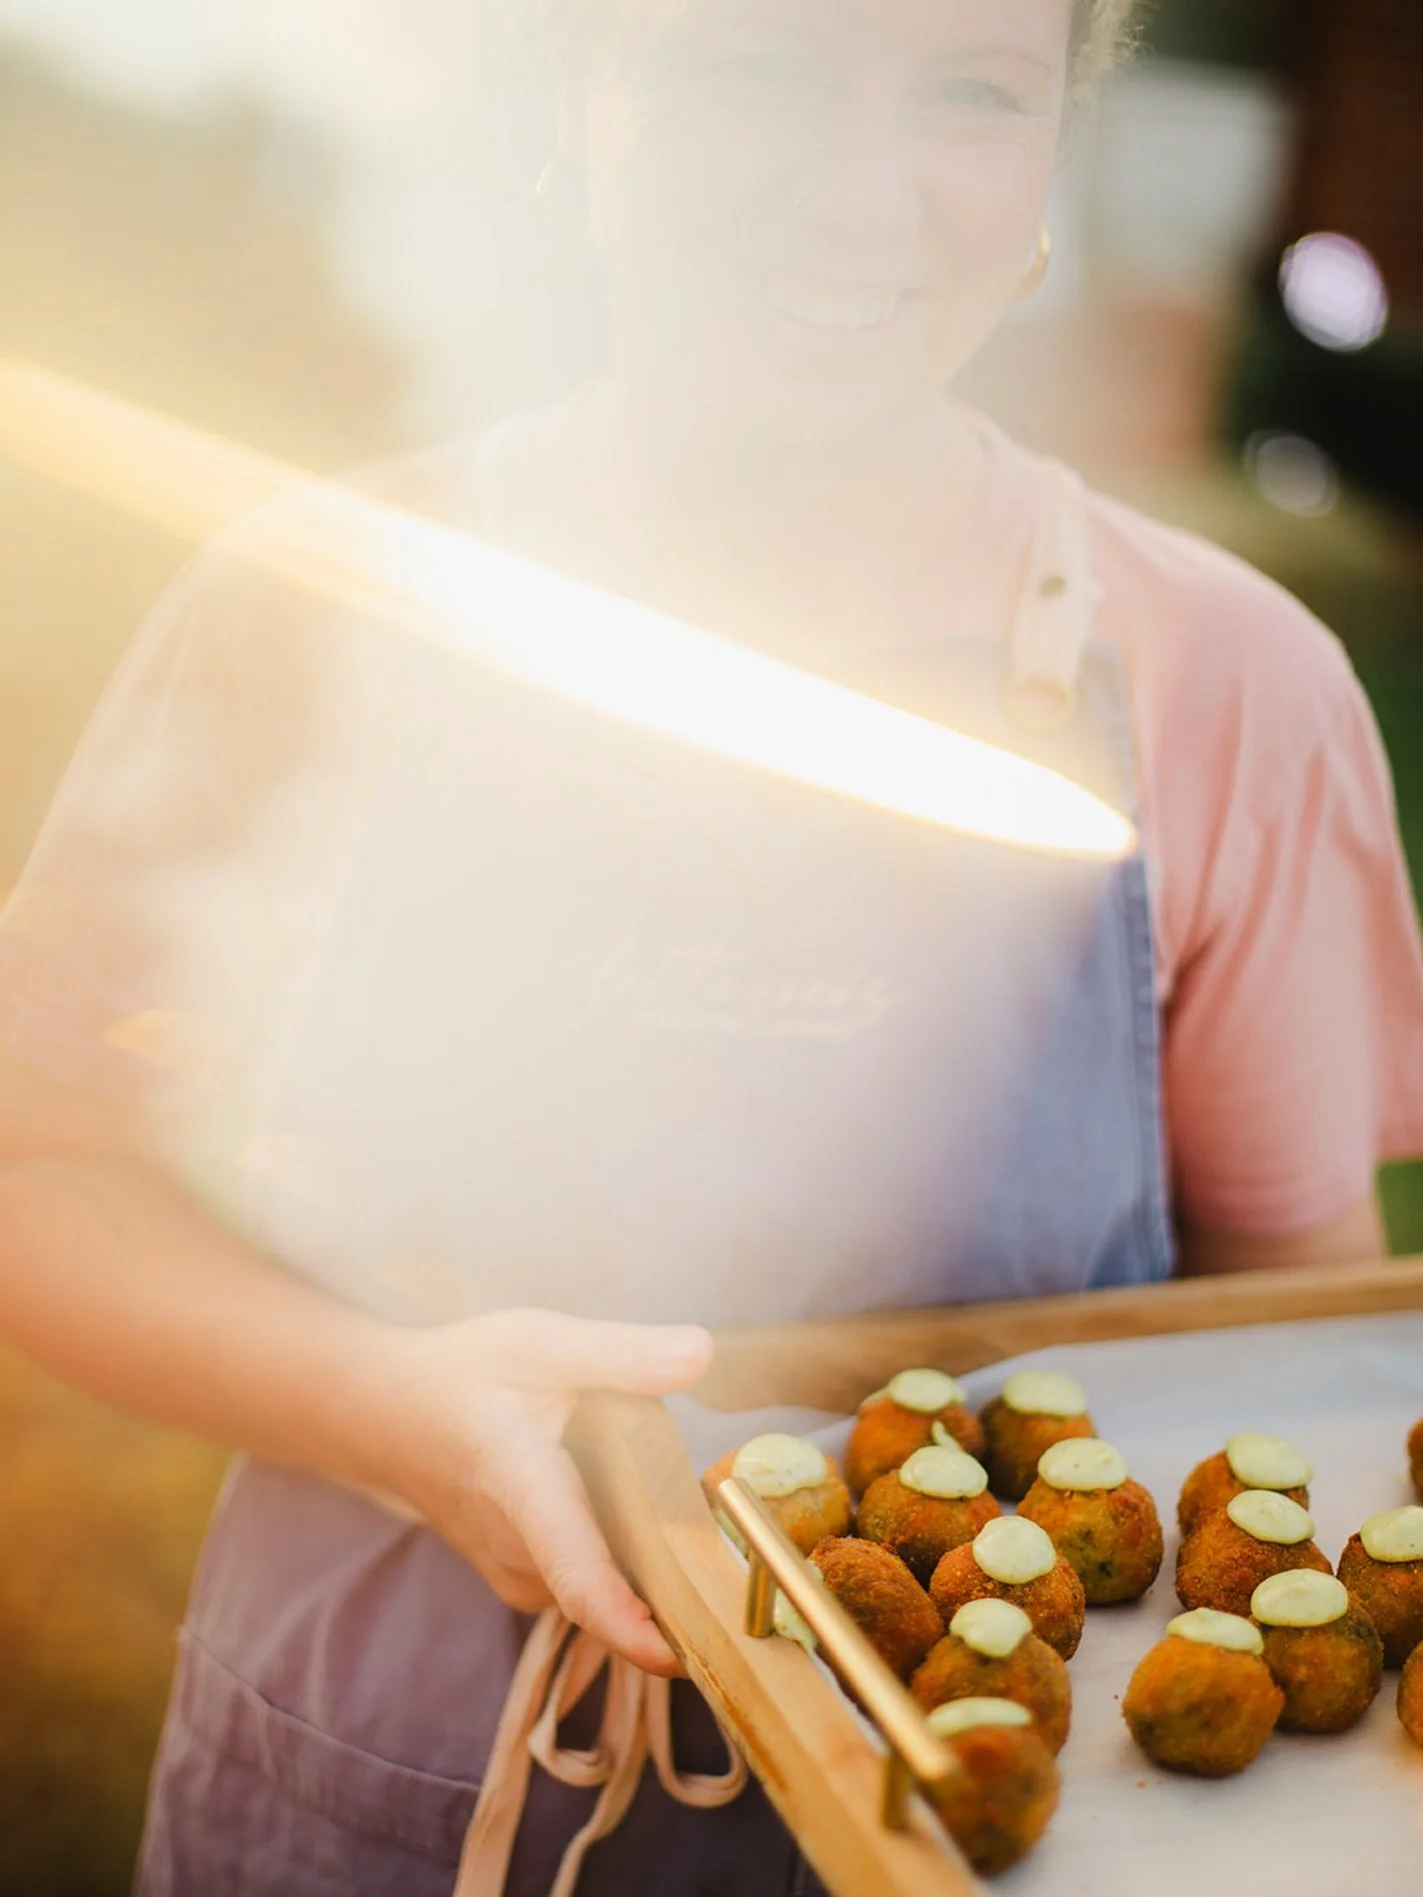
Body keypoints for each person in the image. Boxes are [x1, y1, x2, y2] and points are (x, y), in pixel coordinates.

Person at [2, 1, 1423, 1892]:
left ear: (1049, 166)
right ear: (580, 102)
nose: (857, 195)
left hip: (1001, 1828)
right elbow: (40, 1170)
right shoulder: (308, 609)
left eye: (971, 90)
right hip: (386, 1801)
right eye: (754, 67)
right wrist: (395, 1415)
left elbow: (1279, 1357)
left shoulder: (1230, 688)